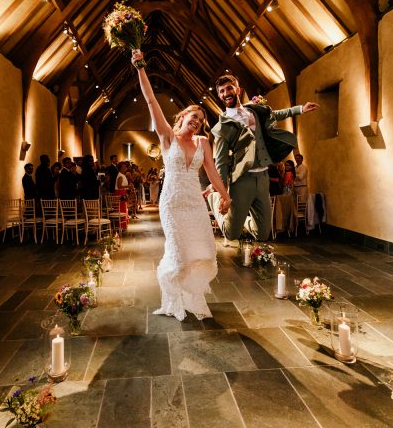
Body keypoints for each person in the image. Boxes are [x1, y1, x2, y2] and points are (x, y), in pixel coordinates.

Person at [132, 49, 231, 321]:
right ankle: (174, 300)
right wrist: (141, 67)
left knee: (202, 249)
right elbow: (151, 101)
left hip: (195, 204)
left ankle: (192, 297)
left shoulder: (202, 143)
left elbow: (212, 171)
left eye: (201, 119)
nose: (197, 121)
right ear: (182, 117)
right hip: (173, 203)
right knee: (178, 252)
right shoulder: (167, 138)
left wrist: (225, 196)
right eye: (193, 116)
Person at [207, 73, 318, 241]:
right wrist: (222, 195)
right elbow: (221, 163)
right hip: (242, 179)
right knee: (231, 234)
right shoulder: (222, 127)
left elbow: (275, 114)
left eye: (229, 88)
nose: (225, 93)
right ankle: (212, 198)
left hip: (263, 177)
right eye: (221, 91)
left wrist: (300, 109)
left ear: (238, 89)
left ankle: (243, 221)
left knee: (263, 233)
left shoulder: (254, 110)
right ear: (219, 95)